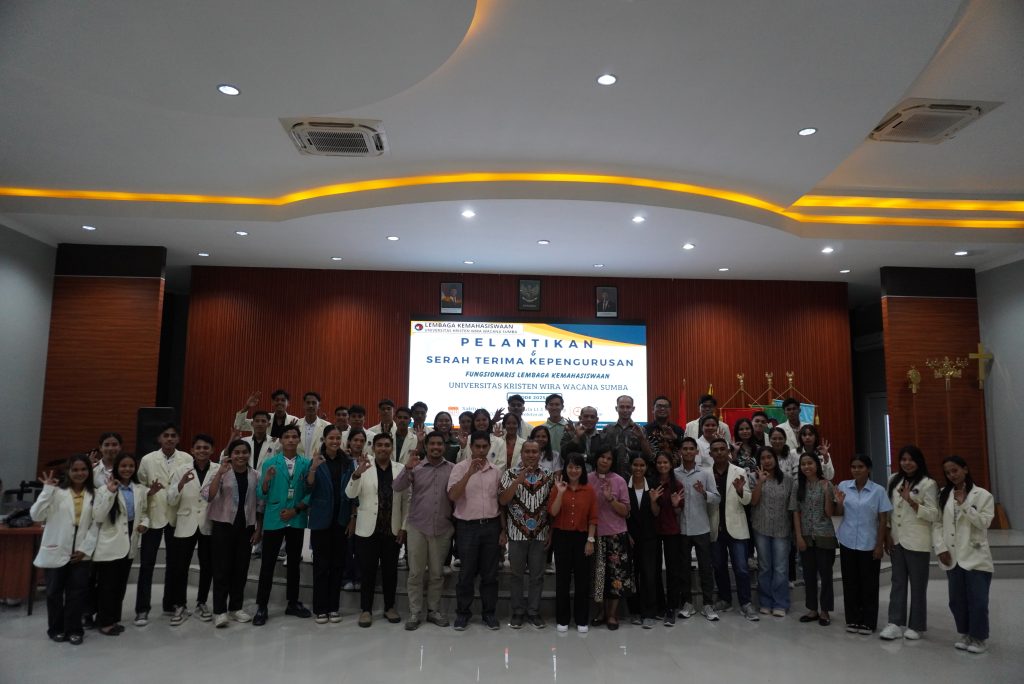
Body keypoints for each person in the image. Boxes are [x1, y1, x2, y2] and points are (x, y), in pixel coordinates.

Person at [31, 455, 98, 645]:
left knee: (77, 593)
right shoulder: (56, 492)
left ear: (89, 471)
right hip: (57, 548)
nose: (79, 473)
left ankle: (74, 629)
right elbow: (36, 514)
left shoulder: (95, 494)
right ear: (68, 472)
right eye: (75, 469)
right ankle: (56, 628)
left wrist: (85, 549)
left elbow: (96, 524)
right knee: (53, 592)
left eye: (83, 469)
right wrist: (47, 491)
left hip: (80, 552)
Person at [345, 432, 408, 627]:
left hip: (391, 530)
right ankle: (366, 610)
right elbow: (350, 494)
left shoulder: (400, 469)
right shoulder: (364, 467)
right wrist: (357, 474)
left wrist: (403, 527)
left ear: (392, 448)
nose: (383, 448)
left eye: (387, 445)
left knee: (390, 572)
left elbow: (406, 501)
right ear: (373, 448)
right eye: (379, 445)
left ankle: (390, 607)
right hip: (367, 530)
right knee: (367, 572)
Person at [394, 431, 455, 630]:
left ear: (444, 446)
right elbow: (397, 486)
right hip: (417, 527)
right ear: (426, 446)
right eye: (432, 444)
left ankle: (433, 611)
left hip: (442, 528)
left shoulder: (452, 469)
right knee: (415, 573)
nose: (436, 447)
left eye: (439, 444)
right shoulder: (416, 467)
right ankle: (414, 612)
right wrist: (407, 468)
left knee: (437, 574)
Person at [934, 455, 995, 654]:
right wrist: (940, 548)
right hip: (952, 556)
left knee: (978, 600)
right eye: (948, 472)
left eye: (955, 470)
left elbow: (984, 523)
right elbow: (937, 524)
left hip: (975, 556)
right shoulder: (943, 494)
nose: (952, 475)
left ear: (965, 469)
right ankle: (966, 633)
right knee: (957, 600)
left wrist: (964, 505)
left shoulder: (983, 495)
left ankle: (979, 638)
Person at [253, 424, 312, 625]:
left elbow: (311, 491)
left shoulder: (306, 463)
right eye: (287, 436)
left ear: (299, 439)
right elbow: (261, 494)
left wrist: (296, 510)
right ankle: (262, 606)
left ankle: (292, 603)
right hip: (274, 518)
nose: (291, 440)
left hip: (296, 518)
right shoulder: (270, 463)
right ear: (281, 440)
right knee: (268, 564)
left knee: (294, 563)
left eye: (294, 436)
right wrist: (266, 480)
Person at [880, 445, 939, 641]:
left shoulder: (928, 483)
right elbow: (888, 509)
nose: (907, 463)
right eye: (903, 459)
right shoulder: (893, 479)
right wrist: (887, 534)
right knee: (897, 582)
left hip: (917, 540)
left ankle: (917, 625)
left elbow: (934, 514)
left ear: (918, 461)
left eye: (911, 459)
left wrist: (912, 502)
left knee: (918, 585)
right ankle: (894, 623)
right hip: (897, 539)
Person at [134, 422, 190, 626]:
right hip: (153, 515)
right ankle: (142, 609)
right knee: (147, 564)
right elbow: (139, 486)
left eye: (173, 435)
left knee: (174, 563)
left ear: (178, 438)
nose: (169, 439)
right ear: (159, 438)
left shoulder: (187, 459)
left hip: (176, 516)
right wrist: (149, 492)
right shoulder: (148, 460)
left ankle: (171, 603)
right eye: (165, 435)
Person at [448, 431, 504, 631]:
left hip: (491, 526)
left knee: (490, 574)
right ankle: (463, 614)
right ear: (471, 447)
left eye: (484, 447)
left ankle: (489, 614)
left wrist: (503, 530)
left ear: (489, 447)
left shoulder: (496, 471)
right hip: (467, 527)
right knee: (466, 573)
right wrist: (469, 474)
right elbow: (453, 496)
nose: (481, 450)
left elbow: (501, 502)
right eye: (477, 447)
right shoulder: (459, 468)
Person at [202, 439, 260, 627]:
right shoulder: (220, 472)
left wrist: (259, 529)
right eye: (237, 452)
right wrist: (220, 472)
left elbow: (260, 504)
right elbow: (208, 495)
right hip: (223, 526)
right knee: (221, 569)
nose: (241, 456)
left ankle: (236, 608)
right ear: (230, 455)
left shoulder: (255, 475)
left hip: (246, 528)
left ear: (249, 454)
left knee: (241, 570)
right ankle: (220, 611)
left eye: (244, 452)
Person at [92, 452, 151, 636]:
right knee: (107, 585)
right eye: (123, 466)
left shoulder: (139, 489)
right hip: (110, 543)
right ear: (117, 467)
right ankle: (104, 622)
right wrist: (110, 492)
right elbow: (98, 516)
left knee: (120, 584)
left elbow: (144, 512)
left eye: (131, 466)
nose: (127, 469)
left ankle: (113, 618)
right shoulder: (104, 489)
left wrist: (144, 524)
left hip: (130, 541)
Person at [499, 439, 554, 629]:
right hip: (516, 535)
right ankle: (517, 612)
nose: (531, 455)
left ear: (540, 454)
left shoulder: (548, 476)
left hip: (540, 534)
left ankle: (533, 612)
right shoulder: (509, 474)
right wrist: (517, 481)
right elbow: (503, 501)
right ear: (521, 454)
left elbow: (552, 508)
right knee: (516, 576)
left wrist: (551, 532)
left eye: (534, 451)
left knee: (537, 576)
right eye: (527, 451)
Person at [835, 454, 892, 635]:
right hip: (847, 540)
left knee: (869, 584)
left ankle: (868, 621)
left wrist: (879, 545)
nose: (856, 470)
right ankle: (852, 619)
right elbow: (838, 513)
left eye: (860, 467)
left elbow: (883, 520)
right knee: (850, 583)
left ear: (869, 469)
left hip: (869, 543)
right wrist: (839, 503)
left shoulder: (878, 491)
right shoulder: (844, 486)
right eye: (853, 467)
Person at [306, 425, 355, 624]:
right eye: (331, 438)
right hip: (321, 520)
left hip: (341, 520)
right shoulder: (317, 460)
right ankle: (320, 608)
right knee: (321, 566)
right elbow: (308, 486)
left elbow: (353, 492)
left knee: (337, 565)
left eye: (337, 438)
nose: (335, 441)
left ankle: (334, 607)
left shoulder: (348, 462)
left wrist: (352, 518)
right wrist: (313, 468)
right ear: (324, 440)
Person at [165, 434, 215, 625]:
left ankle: (202, 602)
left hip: (208, 524)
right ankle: (180, 604)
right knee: (180, 567)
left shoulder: (217, 469)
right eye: (198, 448)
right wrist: (180, 485)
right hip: (185, 523)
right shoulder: (181, 470)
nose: (202, 451)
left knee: (207, 566)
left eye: (206, 447)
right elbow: (170, 499)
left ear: (212, 450)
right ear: (192, 450)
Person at [708, 438, 758, 621]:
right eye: (715, 450)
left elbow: (747, 500)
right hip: (716, 527)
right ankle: (725, 599)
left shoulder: (739, 471)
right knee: (719, 567)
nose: (719, 452)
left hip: (736, 526)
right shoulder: (706, 474)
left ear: (728, 451)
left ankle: (746, 603)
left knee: (742, 568)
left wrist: (740, 491)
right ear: (710, 453)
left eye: (723, 449)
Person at [548, 452, 598, 633]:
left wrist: (590, 540)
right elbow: (553, 513)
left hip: (582, 538)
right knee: (562, 579)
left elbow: (593, 518)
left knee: (582, 580)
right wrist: (560, 493)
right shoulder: (557, 488)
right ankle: (562, 619)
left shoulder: (589, 490)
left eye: (577, 467)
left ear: (582, 469)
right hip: (561, 537)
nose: (573, 470)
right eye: (570, 467)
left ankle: (581, 619)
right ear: (565, 469)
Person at [674, 436, 720, 621]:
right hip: (682, 529)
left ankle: (708, 604)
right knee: (683, 568)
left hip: (701, 527)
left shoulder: (705, 473)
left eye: (691, 448)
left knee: (706, 567)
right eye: (684, 449)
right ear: (680, 452)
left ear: (696, 451)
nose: (687, 452)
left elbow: (717, 498)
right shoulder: (675, 473)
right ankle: (688, 603)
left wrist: (704, 493)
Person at [790, 452, 837, 626]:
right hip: (806, 536)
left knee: (826, 575)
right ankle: (812, 609)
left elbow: (829, 513)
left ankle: (825, 611)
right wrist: (799, 537)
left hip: (825, 535)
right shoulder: (797, 485)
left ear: (817, 465)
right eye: (803, 464)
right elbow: (795, 511)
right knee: (808, 575)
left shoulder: (826, 484)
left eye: (810, 463)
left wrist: (826, 492)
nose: (806, 467)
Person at [590, 447, 632, 629]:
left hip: (616, 535)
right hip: (595, 535)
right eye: (602, 456)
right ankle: (601, 612)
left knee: (616, 576)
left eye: (609, 458)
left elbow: (626, 511)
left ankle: (612, 615)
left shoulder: (619, 481)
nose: (605, 461)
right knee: (598, 577)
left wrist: (610, 499)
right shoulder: (588, 479)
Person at [749, 446, 793, 617]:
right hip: (761, 528)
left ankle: (780, 603)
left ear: (775, 458)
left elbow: (792, 506)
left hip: (782, 529)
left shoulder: (788, 480)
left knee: (781, 568)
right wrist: (760, 481)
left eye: (769, 457)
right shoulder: (753, 478)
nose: (766, 461)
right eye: (763, 458)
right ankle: (765, 602)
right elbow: (753, 502)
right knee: (765, 567)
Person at [625, 455, 659, 628]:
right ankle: (634, 611)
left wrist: (653, 501)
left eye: (642, 465)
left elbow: (656, 513)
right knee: (632, 575)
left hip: (649, 538)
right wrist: (626, 534)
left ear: (646, 467)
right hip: (629, 538)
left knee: (648, 575)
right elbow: (621, 514)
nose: (638, 468)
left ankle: (649, 612)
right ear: (630, 466)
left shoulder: (653, 485)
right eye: (635, 465)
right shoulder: (624, 485)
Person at [651, 452, 684, 625]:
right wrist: (653, 501)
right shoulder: (652, 483)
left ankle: (672, 606)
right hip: (655, 530)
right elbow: (655, 513)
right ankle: (659, 605)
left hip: (672, 530)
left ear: (671, 465)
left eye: (665, 462)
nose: (662, 465)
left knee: (673, 569)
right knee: (655, 568)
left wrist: (676, 505)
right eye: (659, 462)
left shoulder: (676, 484)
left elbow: (678, 512)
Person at [601, 395, 653, 478]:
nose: (625, 410)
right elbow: (601, 455)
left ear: (633, 409)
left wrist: (642, 439)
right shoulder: (607, 429)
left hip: (635, 476)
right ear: (616, 408)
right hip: (611, 475)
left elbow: (649, 456)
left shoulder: (640, 429)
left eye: (628, 407)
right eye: (622, 407)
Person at [234, 389, 300, 440]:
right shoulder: (264, 419)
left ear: (288, 403)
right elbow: (239, 426)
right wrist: (247, 406)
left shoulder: (294, 420)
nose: (280, 402)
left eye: (283, 400)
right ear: (273, 403)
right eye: (277, 400)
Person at [644, 396, 685, 465]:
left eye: (666, 406)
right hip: (651, 469)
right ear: (653, 410)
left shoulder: (678, 430)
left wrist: (675, 438)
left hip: (674, 469)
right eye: (659, 406)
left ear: (670, 410)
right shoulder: (645, 430)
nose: (662, 408)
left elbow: (686, 449)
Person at [296, 391, 332, 456]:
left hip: (319, 461)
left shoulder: (327, 426)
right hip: (298, 462)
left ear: (319, 406)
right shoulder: (296, 425)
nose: (311, 406)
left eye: (314, 403)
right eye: (308, 403)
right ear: (304, 405)